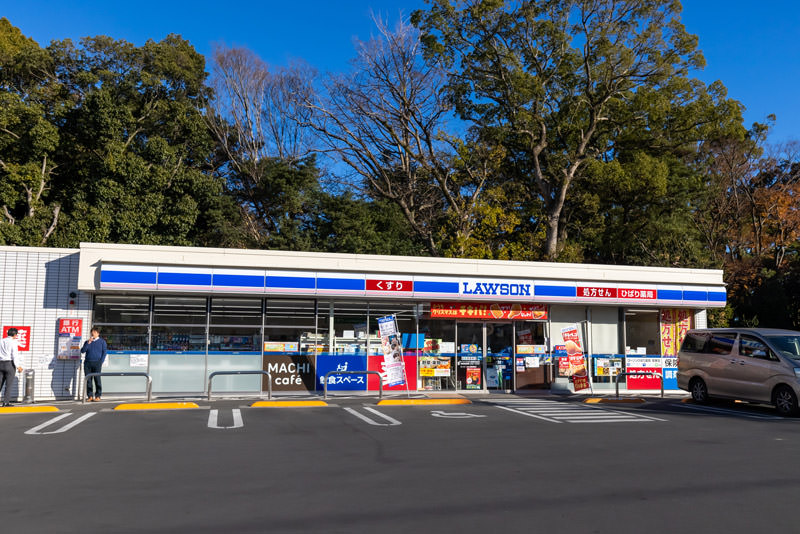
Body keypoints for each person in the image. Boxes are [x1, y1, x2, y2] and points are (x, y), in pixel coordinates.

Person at [81, 327, 107, 402]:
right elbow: (82, 351)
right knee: (88, 380)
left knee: (97, 379)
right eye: (92, 332)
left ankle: (98, 396)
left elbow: (104, 352)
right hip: (87, 363)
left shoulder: (102, 342)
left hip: (97, 363)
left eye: (95, 332)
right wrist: (88, 343)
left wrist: (101, 362)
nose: (93, 333)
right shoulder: (87, 342)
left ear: (98, 333)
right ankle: (90, 396)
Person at [0, 328, 24, 407]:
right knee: (8, 385)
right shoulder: (13, 342)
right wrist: (18, 366)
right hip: (9, 364)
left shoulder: (1, 341)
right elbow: (14, 355)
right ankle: (5, 402)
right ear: (15, 335)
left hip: (0, 363)